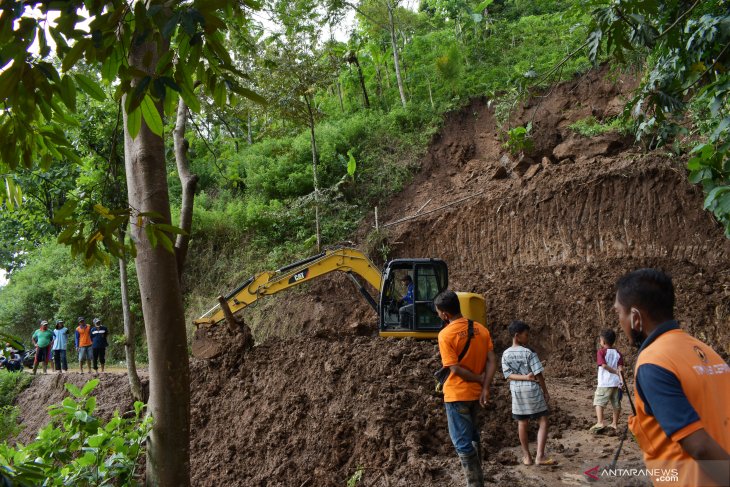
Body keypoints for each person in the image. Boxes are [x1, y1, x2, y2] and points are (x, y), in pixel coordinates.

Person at [614, 268, 729, 486]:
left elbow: (700, 447)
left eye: (619, 313)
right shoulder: (709, 353)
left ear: (636, 317)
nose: (620, 322)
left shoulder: (653, 362)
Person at [435, 289, 497, 487]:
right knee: (473, 437)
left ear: (445, 313)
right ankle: (478, 477)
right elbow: (492, 360)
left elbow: (454, 368)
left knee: (462, 443)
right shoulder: (481, 329)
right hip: (477, 394)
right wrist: (485, 386)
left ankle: (475, 483)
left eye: (438, 312)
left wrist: (478, 378)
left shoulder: (445, 335)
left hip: (456, 395)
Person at [501, 320, 554, 466]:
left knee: (522, 422)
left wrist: (522, 377)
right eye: (526, 334)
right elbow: (539, 374)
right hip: (531, 390)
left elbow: (508, 375)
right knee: (543, 421)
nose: (528, 337)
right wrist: (545, 391)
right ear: (517, 336)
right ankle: (540, 456)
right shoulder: (528, 352)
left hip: (516, 392)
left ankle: (527, 457)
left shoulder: (505, 354)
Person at [590, 329, 623, 433]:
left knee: (599, 402)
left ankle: (600, 422)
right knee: (616, 404)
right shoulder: (618, 353)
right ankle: (614, 424)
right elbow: (621, 368)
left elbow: (603, 365)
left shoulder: (601, 352)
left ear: (603, 342)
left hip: (605, 383)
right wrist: (620, 379)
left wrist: (614, 371)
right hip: (616, 384)